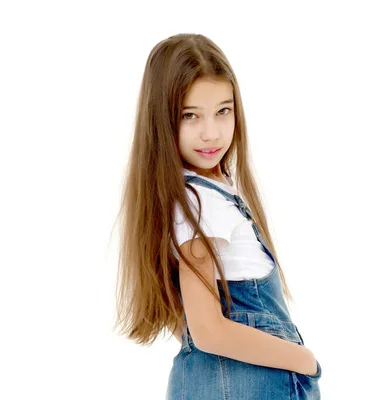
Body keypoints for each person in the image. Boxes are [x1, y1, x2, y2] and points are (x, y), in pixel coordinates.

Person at [113, 33, 322, 399]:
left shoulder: (195, 193)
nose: (211, 133)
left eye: (223, 111)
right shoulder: (201, 204)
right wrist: (304, 360)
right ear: (162, 122)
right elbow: (207, 330)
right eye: (190, 116)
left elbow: (185, 324)